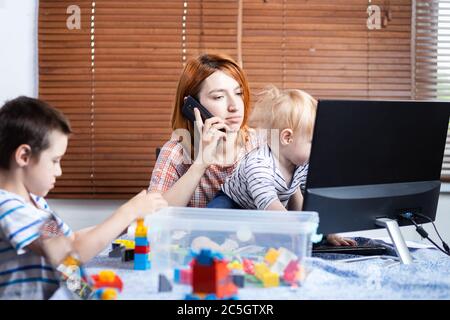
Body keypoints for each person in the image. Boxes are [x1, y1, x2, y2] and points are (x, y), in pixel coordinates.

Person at [0, 96, 167, 299]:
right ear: (24, 156)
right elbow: (73, 252)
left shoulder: (36, 204)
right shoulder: (9, 208)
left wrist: (87, 294)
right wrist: (128, 211)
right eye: (54, 161)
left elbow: (69, 248)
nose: (59, 171)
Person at [207, 85, 356, 247]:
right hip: (233, 202)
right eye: (312, 142)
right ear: (287, 138)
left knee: (289, 234)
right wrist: (299, 227)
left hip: (257, 212)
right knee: (211, 224)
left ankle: (244, 239)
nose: (318, 150)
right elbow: (270, 205)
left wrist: (329, 232)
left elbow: (311, 203)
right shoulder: (259, 165)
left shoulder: (301, 163)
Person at [149, 53, 260, 207]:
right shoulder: (176, 152)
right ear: (193, 105)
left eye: (238, 93)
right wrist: (201, 163)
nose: (234, 106)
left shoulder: (260, 144)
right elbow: (152, 216)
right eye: (219, 97)